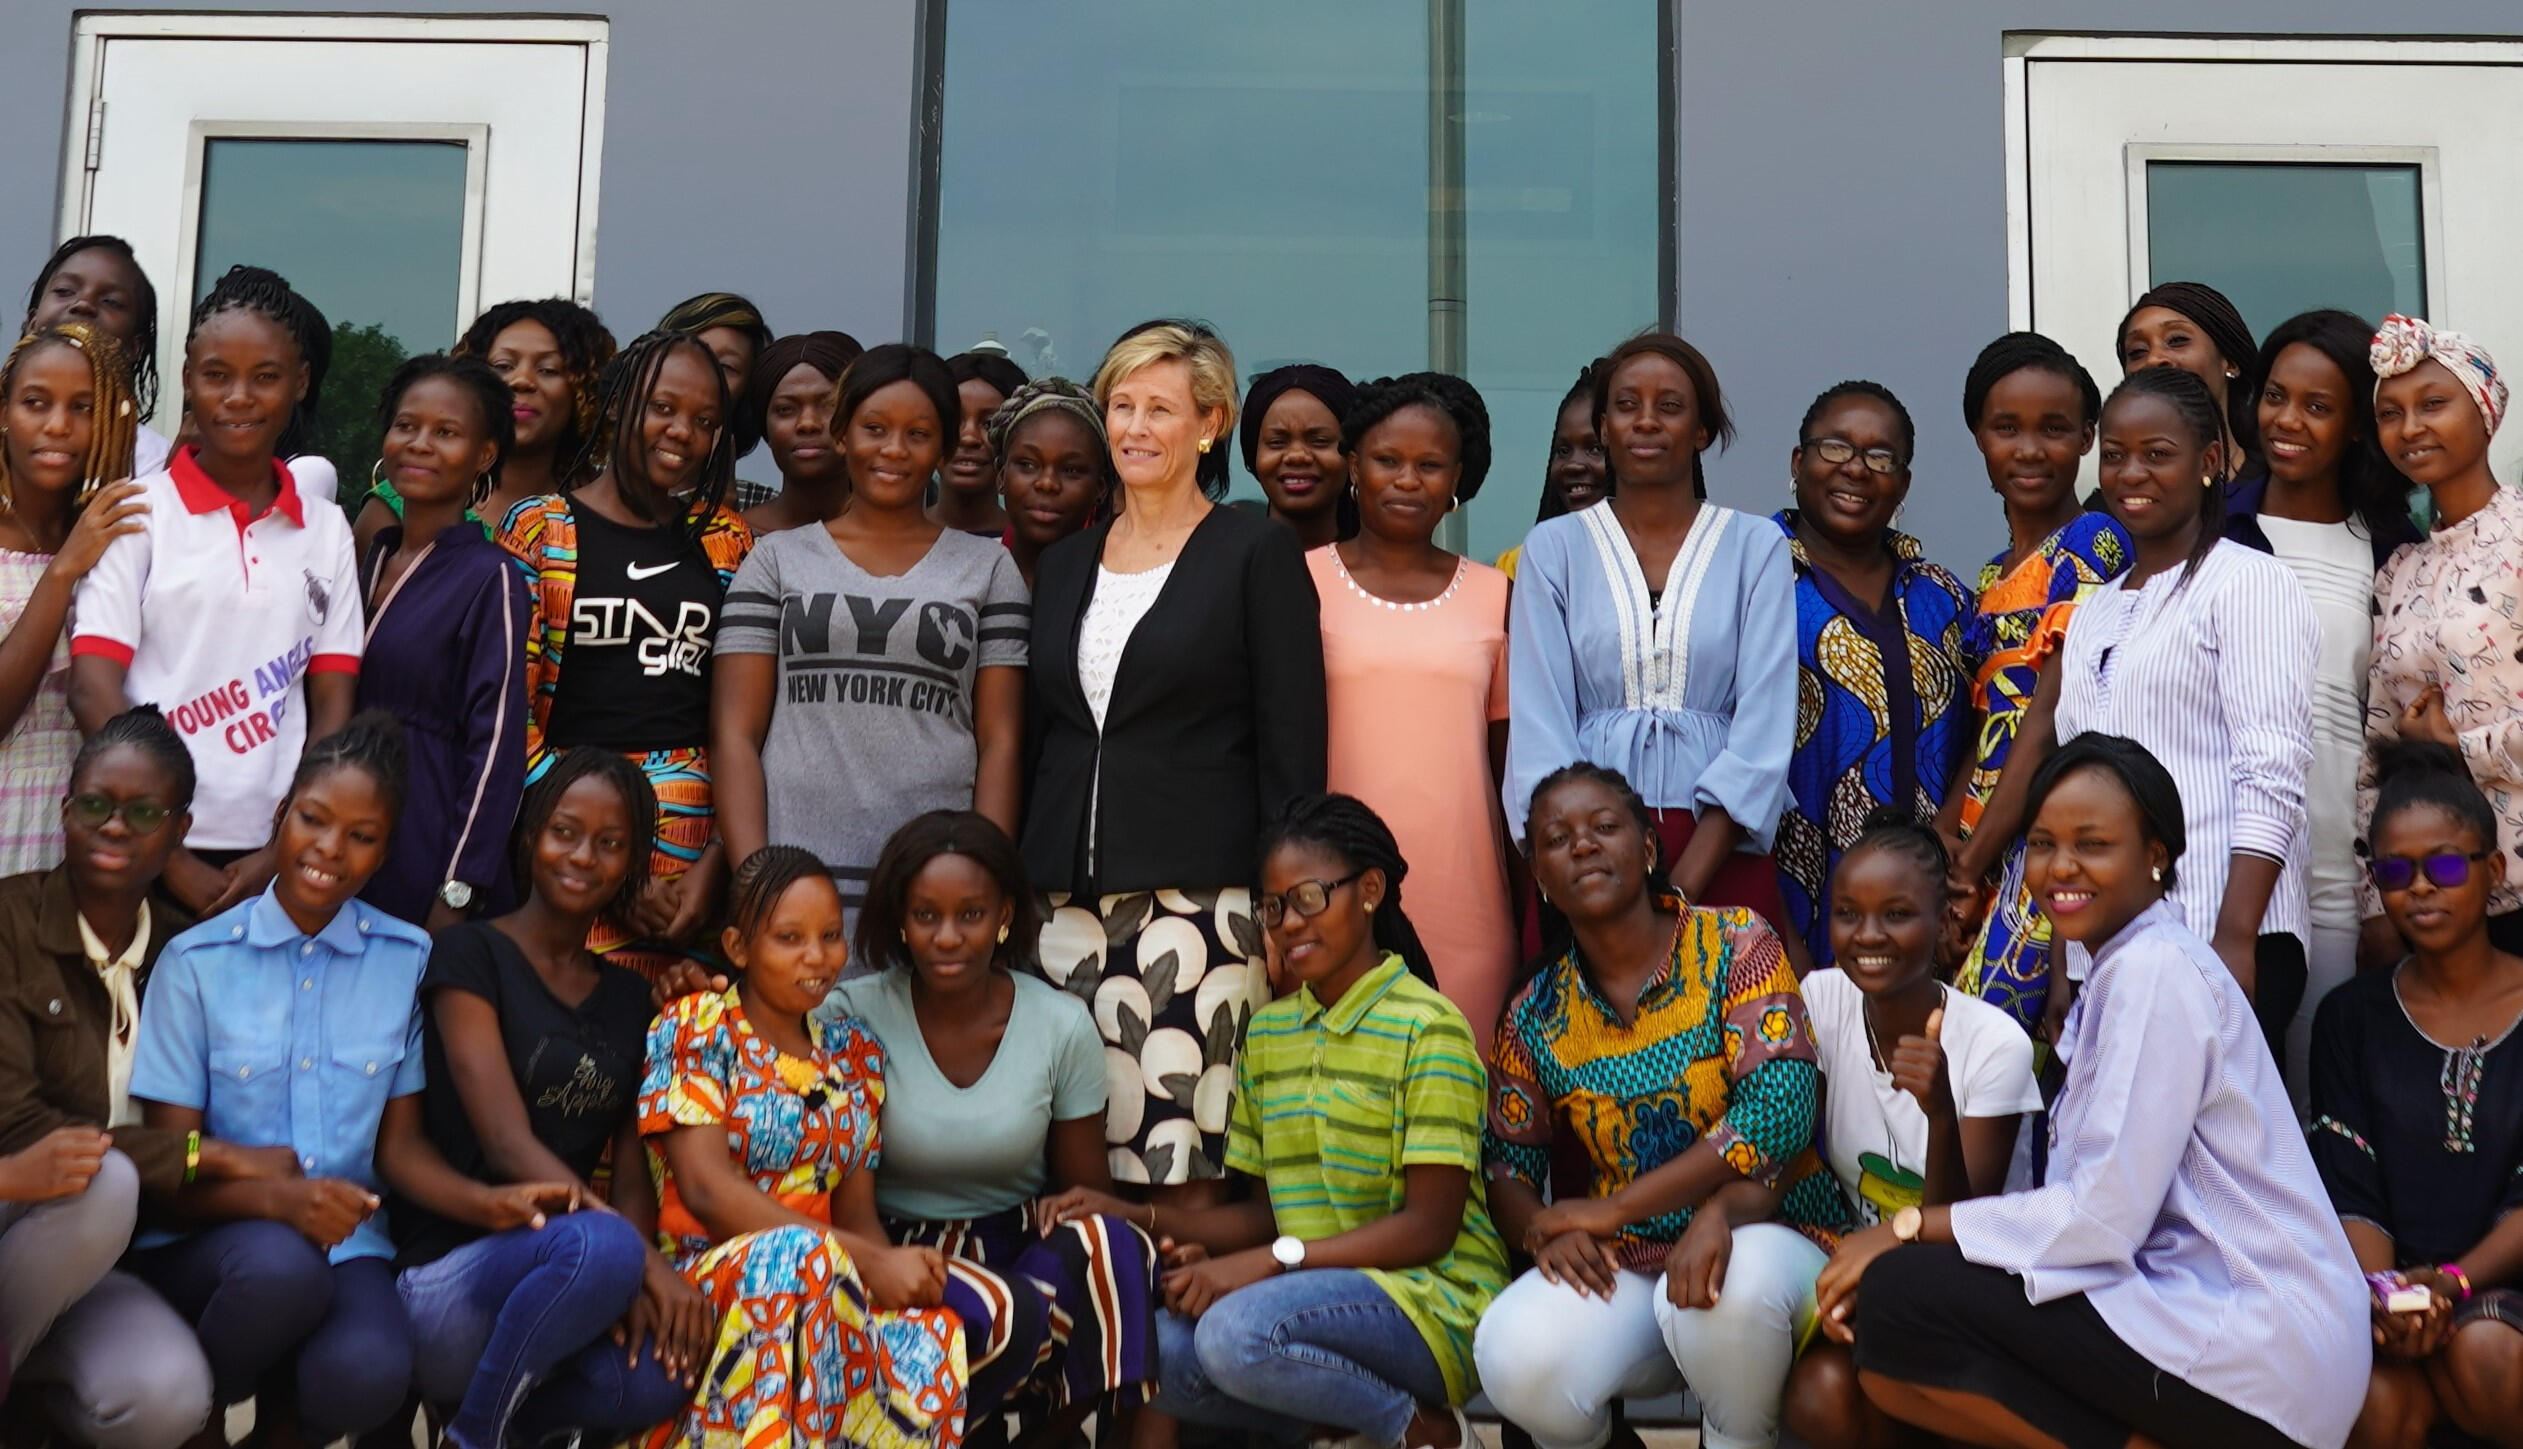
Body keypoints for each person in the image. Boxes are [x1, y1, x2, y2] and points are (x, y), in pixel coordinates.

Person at [1817, 733, 2368, 1449]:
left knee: (1901, 1297)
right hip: (2208, 1320)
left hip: (2258, 1338)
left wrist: (1907, 1227)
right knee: (1902, 1334)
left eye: (2092, 843)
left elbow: (2100, 1220)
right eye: (2042, 843)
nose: (2060, 866)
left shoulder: (2153, 974)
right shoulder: (2127, 967)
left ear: (2155, 855)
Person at [1054, 794, 1505, 1449]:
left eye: (1309, 898)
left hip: (1433, 1302)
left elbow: (1428, 1229)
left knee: (1234, 1333)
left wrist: (1268, 1263)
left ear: (1370, 890)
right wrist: (1133, 1215)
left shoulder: (1427, 1028)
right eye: (1273, 907)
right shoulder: (1267, 1035)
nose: (1288, 922)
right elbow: (1266, 1214)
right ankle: (1352, 1424)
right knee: (1153, 1350)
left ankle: (1421, 1432)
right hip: (1308, 1297)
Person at [1022, 319, 1323, 1191]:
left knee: (1183, 1140)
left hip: (1200, 904)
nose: (1135, 427)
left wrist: (1283, 903)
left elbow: (1291, 744)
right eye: (1120, 405)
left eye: (1160, 407)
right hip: (1057, 906)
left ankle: (1169, 1324)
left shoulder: (1254, 551)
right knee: (1072, 1142)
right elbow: (1048, 731)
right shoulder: (1067, 558)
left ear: (1209, 423)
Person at [1475, 763, 1847, 1449]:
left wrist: (1615, 1207)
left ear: (1648, 847)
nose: (1582, 844)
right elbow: (1505, 1168)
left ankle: (1739, 1438)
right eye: (1557, 838)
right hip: (1634, 1263)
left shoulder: (1735, 941)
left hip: (1778, 1236)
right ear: (1541, 880)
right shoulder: (1534, 1012)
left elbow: (1781, 1113)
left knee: (1726, 1297)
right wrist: (1544, 1230)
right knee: (1514, 1353)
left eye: (1604, 826)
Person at [0, 708, 311, 1448]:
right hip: (14, 1206)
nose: (114, 826)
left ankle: (25, 1386)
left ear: (179, 832)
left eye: (143, 812)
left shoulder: (191, 955)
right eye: (97, 806)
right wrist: (208, 1155)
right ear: (66, 812)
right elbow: (25, 1129)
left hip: (79, 1263)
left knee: (169, 1397)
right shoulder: (8, 922)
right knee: (105, 1182)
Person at [383, 747, 702, 1448]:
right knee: (603, 1250)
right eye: (565, 831)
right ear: (530, 837)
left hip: (570, 1274)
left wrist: (633, 1273)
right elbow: (504, 1141)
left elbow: (627, 1173)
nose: (583, 855)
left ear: (632, 863)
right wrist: (636, 1263)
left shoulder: (628, 998)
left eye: (610, 843)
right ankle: (473, 1436)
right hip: (448, 1279)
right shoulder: (469, 955)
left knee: (664, 1372)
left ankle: (510, 1418)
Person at [127, 715, 433, 1444]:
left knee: (369, 1372)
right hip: (218, 1245)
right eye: (313, 819)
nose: (330, 849)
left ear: (385, 849)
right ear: (280, 817)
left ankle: (282, 1426)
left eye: (361, 835)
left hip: (350, 1244)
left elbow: (401, 1147)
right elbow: (173, 1167)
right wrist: (280, 1201)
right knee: (280, 1269)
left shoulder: (406, 958)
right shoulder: (195, 962)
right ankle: (201, 1414)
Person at [830, 811, 1157, 1431]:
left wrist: (1083, 1217)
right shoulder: (853, 1013)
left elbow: (1084, 1191)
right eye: (926, 915)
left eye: (971, 915)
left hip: (1016, 1249)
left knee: (1112, 1246)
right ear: (900, 919)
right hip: (892, 1252)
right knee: (1005, 1316)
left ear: (1005, 915)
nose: (947, 936)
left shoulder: (1059, 1024)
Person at [637, 845, 965, 1449]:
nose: (817, 957)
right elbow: (708, 1191)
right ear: (738, 948)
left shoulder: (855, 1053)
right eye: (790, 938)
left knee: (930, 1335)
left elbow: (857, 1214)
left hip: (827, 1272)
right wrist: (866, 1264)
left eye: (830, 936)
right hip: (707, 1275)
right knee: (794, 1261)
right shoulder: (697, 1027)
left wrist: (894, 1279)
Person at [69, 265, 362, 918]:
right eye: (216, 375)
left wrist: (285, 843)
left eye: (266, 377)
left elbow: (331, 704)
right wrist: (169, 857)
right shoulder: (138, 513)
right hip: (139, 847)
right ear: (187, 381)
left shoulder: (327, 529)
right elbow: (93, 689)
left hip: (271, 855)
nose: (239, 397)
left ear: (300, 383)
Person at [714, 343, 1026, 936]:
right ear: (841, 435)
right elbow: (735, 734)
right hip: (797, 884)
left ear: (940, 447)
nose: (893, 450)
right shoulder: (776, 561)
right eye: (874, 428)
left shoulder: (987, 568)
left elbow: (1001, 741)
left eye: (918, 433)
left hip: (936, 891)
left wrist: (984, 878)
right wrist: (755, 878)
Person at [2051, 366, 2319, 1053]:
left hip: (2221, 931)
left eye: (2155, 453)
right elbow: (2068, 802)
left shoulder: (2247, 582)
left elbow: (2272, 769)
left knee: (2206, 1158)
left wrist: (2231, 940)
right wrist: (2064, 960)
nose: (2129, 472)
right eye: (2113, 454)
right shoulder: (2093, 611)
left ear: (2206, 463)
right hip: (2106, 952)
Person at [1504, 333, 1796, 953]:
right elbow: (1540, 724)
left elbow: (1765, 724)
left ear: (1702, 432)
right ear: (1604, 427)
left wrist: (1678, 887)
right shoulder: (1553, 551)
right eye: (1627, 404)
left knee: (1731, 1035)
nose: (1645, 421)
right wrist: (1582, 860)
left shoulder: (1756, 547)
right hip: (1585, 856)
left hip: (1721, 845)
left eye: (1670, 406)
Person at [1782, 808, 2040, 1449]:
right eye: (1847, 913)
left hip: (1973, 1281)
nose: (1868, 935)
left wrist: (1941, 1114)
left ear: (1945, 920)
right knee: (1821, 1397)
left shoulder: (1992, 1043)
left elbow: (1968, 1223)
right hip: (1862, 1271)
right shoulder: (1821, 1001)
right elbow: (1783, 1149)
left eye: (1896, 914)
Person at [500, 329, 754, 980]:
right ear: (616, 408)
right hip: (570, 855)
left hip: (693, 882)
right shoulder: (538, 528)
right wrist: (614, 872)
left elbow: (749, 720)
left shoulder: (726, 540)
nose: (682, 432)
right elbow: (508, 710)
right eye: (662, 408)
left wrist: (717, 863)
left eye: (703, 420)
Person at [2227, 310, 2420, 1102]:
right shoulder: (2215, 530)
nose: (2287, 420)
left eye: (2317, 404)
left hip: (2341, 875)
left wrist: (2383, 893)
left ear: (2353, 428)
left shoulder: (2387, 544)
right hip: (2232, 872)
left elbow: (2394, 725)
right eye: (2275, 396)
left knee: (2329, 1106)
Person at [2313, 741, 2523, 1449]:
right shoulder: (2351, 1017)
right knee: (2369, 1395)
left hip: (2504, 1293)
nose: (2420, 887)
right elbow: (2353, 1183)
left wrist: (2455, 1285)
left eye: (2442, 864)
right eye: (2396, 871)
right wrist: (2389, 1299)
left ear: (2491, 870)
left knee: (2484, 1353)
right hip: (2401, 1296)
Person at [1311, 372, 1515, 1035]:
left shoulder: (1496, 595)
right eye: (1386, 460)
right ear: (1351, 467)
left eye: (1429, 465)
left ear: (1457, 479)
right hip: (1329, 899)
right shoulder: (1297, 581)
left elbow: (1507, 765)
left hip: (1466, 902)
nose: (1406, 479)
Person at [1943, 332, 2125, 1031]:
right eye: (2006, 428)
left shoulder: (2093, 544)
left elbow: (2044, 720)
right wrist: (1944, 848)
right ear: (1978, 437)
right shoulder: (1990, 575)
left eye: (2054, 429)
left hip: (2045, 840)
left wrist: (1971, 862)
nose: (2029, 449)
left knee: (1998, 1051)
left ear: (2086, 438)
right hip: (1983, 843)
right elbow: (1990, 724)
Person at [1774, 380, 1976, 971]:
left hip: (1932, 916)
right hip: (1797, 909)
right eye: (1835, 447)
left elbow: (1995, 726)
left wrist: (1949, 833)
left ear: (1904, 484)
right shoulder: (1751, 578)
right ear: (1798, 461)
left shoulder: (1946, 597)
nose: (1856, 469)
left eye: (1880, 457)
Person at [2360, 316, 2523, 962]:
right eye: (2389, 413)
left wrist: (2460, 751)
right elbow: (2377, 741)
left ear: (2486, 412)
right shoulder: (2400, 570)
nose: (2410, 428)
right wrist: (2375, 897)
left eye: (2433, 404)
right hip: (2436, 898)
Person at [356, 354, 531, 932]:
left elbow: (497, 746)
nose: (420, 443)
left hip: (427, 841)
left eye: (446, 432)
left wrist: (459, 885)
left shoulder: (490, 577)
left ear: (484, 454)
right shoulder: (365, 556)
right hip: (338, 836)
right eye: (407, 426)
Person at [0, 325, 148, 876]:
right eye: (36, 403)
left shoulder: (120, 539)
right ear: (4, 412)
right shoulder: (83, 551)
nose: (58, 425)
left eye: (84, 407)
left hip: (82, 839)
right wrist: (62, 571)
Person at [20, 236, 166, 475]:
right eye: (65, 291)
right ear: (32, 324)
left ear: (133, 347)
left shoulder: (152, 463)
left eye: (111, 301)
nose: (83, 304)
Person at [2119, 279, 2262, 483]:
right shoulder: (2118, 502)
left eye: (2177, 340)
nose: (2154, 359)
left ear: (2230, 361)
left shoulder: (2282, 489)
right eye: (2137, 351)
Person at [736, 330, 864, 536]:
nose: (808, 423)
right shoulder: (733, 539)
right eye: (785, 409)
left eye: (829, 405)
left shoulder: (890, 541)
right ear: (765, 427)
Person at [990, 378, 1112, 589]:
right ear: (1001, 477)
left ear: (1100, 489)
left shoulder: (1116, 584)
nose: (1047, 483)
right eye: (1027, 465)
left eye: (1071, 470)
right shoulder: (968, 570)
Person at [657, 293, 773, 512]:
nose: (702, 374)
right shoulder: (592, 487)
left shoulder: (762, 507)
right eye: (691, 355)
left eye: (726, 367)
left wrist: (724, 509)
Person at [1495, 364, 1609, 582]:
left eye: (1595, 449)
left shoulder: (1658, 564)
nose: (1573, 465)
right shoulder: (1518, 568)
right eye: (1563, 451)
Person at [1243, 363, 1357, 551]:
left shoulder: (1385, 572)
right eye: (1277, 442)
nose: (1297, 456)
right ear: (1253, 454)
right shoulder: (1223, 567)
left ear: (1353, 459)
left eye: (1319, 441)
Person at [935, 350, 1028, 537]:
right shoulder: (891, 538)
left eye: (989, 424)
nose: (968, 438)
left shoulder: (1033, 548)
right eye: (953, 421)